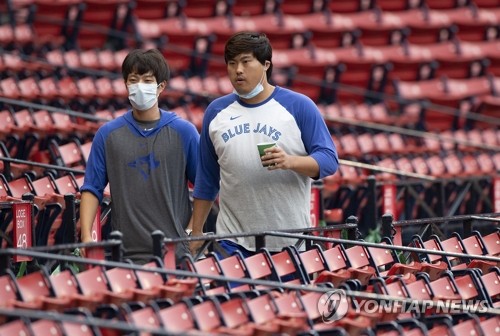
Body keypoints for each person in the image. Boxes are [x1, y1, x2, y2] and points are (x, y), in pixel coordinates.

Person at [188, 32, 338, 258]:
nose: (238, 70)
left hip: (290, 241)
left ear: (266, 64)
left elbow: (329, 160)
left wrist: (290, 161)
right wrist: (195, 230)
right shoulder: (216, 112)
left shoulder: (299, 106)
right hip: (232, 242)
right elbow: (207, 178)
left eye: (246, 62)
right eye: (232, 63)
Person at [80, 49, 199, 264]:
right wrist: (86, 236)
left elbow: (204, 187)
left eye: (147, 80)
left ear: (161, 86)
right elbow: (91, 188)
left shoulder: (185, 132)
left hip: (175, 253)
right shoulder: (107, 135)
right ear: (126, 84)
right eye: (133, 80)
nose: (139, 86)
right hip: (124, 253)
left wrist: (191, 232)